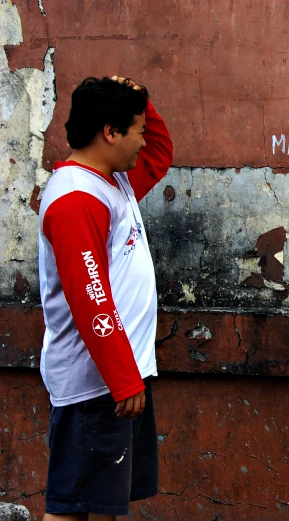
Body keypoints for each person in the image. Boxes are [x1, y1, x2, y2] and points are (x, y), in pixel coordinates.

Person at [38, 76, 173, 520]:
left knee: (102, 506)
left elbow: (159, 154)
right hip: (96, 386)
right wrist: (123, 379)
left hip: (116, 381)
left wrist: (141, 101)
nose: (144, 139)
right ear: (110, 133)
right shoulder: (77, 197)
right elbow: (90, 297)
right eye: (137, 128)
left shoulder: (113, 181)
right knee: (71, 508)